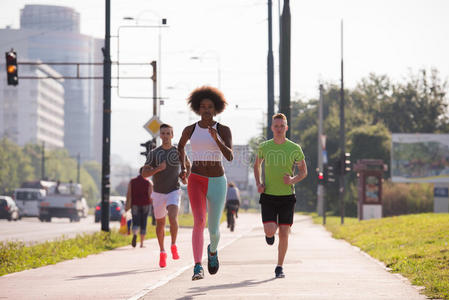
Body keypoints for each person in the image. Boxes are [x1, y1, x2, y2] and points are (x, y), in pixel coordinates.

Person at [178, 86, 233, 281]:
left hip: (218, 180)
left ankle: (213, 250)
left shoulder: (223, 129)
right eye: (203, 106)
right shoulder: (190, 129)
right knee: (199, 221)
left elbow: (230, 156)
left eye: (210, 106)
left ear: (216, 108)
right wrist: (184, 167)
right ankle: (197, 266)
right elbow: (180, 145)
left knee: (214, 229)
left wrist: (216, 138)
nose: (207, 110)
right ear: (197, 109)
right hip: (196, 180)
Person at [253, 113, 307, 279]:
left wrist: (292, 179)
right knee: (271, 231)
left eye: (281, 126)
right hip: (268, 195)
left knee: (284, 233)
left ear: (286, 128)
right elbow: (256, 166)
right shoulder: (264, 147)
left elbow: (303, 172)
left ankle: (279, 267)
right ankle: (269, 235)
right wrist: (259, 183)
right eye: (276, 126)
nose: (278, 129)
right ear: (271, 128)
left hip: (287, 196)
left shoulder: (294, 148)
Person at [142, 123, 190, 268]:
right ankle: (162, 252)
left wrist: (185, 176)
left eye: (168, 133)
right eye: (163, 133)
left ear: (172, 135)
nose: (165, 136)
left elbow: (187, 166)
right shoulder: (154, 153)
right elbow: (144, 174)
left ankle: (173, 245)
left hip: (173, 190)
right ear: (160, 135)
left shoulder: (178, 152)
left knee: (173, 217)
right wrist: (157, 169)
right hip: (158, 192)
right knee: (160, 224)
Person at [125, 167, 153, 248]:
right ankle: (141, 243)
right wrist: (152, 204)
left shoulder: (132, 181)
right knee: (143, 222)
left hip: (135, 204)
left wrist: (127, 204)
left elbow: (128, 194)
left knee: (136, 221)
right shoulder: (149, 182)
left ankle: (134, 234)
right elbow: (150, 195)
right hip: (146, 204)